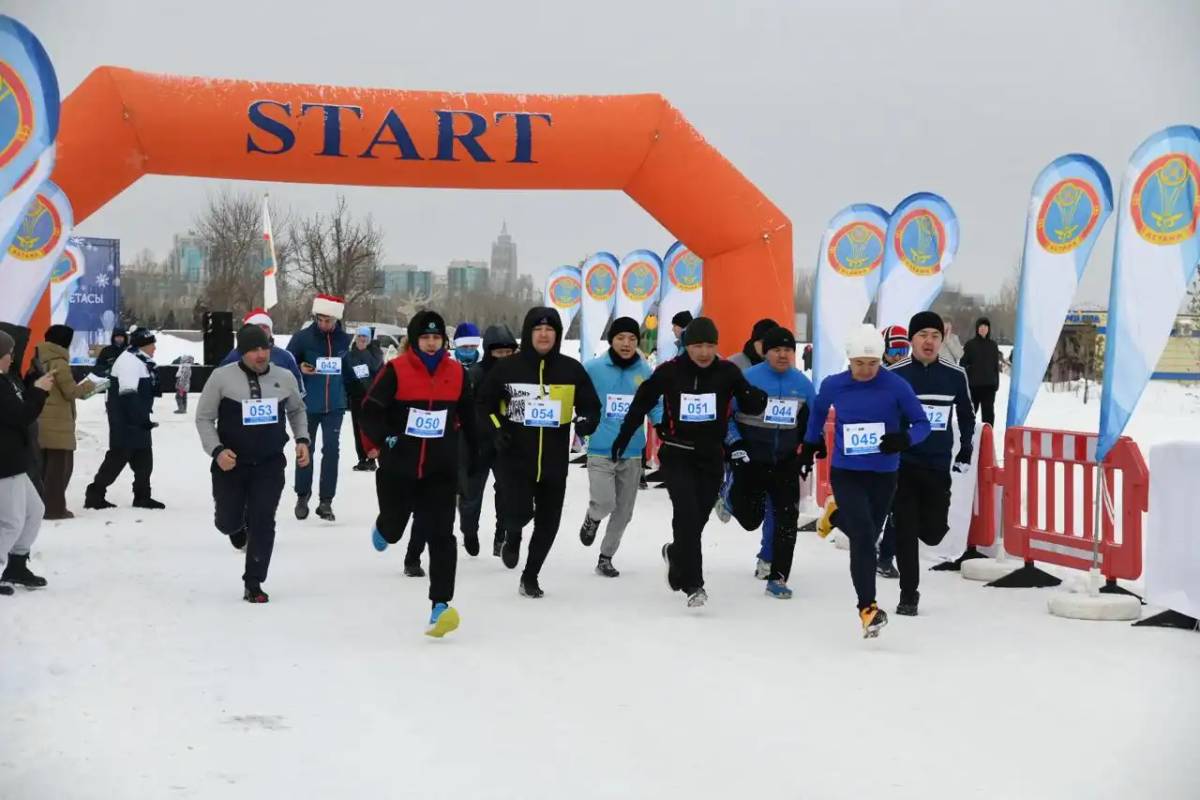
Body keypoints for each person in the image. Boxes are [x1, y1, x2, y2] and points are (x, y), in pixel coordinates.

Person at [612, 317, 767, 607]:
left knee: (697, 518)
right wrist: (623, 436)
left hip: (710, 457)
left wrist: (756, 398)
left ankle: (676, 554)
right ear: (687, 346)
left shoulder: (727, 372)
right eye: (697, 346)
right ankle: (695, 584)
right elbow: (643, 400)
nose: (704, 352)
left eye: (710, 345)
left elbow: (749, 401)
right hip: (676, 453)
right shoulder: (670, 371)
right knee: (686, 512)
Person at [799, 324, 930, 637]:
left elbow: (922, 423)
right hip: (847, 471)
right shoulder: (834, 385)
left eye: (873, 364)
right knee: (863, 536)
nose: (866, 370)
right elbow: (817, 411)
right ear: (849, 360)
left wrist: (903, 439)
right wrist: (811, 442)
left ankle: (836, 516)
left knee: (868, 534)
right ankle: (867, 608)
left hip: (884, 473)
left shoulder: (896, 386)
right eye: (860, 364)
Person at [360, 310, 477, 637]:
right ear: (414, 341)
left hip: (440, 471)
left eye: (436, 338)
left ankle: (440, 605)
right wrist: (381, 442)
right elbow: (370, 410)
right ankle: (384, 526)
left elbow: (469, 416)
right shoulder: (395, 370)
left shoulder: (456, 373)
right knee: (395, 529)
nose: (430, 343)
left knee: (442, 535)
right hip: (399, 468)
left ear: (444, 341)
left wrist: (480, 451)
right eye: (425, 338)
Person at [477, 306, 601, 598]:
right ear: (528, 333)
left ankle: (530, 576)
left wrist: (586, 422)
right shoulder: (508, 368)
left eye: (549, 330)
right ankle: (513, 534)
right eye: (537, 329)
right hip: (515, 459)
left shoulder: (571, 370)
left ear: (557, 335)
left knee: (549, 521)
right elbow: (483, 404)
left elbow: (590, 406)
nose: (544, 334)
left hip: (554, 462)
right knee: (518, 512)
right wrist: (497, 430)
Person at [195, 325, 310, 603]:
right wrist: (217, 451)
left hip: (270, 464)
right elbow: (204, 418)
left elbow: (297, 410)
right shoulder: (221, 378)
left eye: (264, 348)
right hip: (231, 465)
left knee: (263, 520)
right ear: (241, 352)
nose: (260, 355)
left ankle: (254, 582)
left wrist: (302, 439)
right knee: (227, 522)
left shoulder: (284, 377)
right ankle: (236, 527)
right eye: (253, 350)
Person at [887, 311, 975, 616]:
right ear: (912, 339)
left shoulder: (954, 375)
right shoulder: (895, 374)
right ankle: (908, 594)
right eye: (923, 335)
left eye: (935, 336)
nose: (929, 341)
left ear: (942, 340)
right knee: (906, 531)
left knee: (935, 531)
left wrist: (966, 448)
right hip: (904, 464)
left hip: (937, 465)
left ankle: (918, 527)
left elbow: (966, 414)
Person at [725, 326, 814, 597]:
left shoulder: (803, 384)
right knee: (750, 518)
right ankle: (728, 495)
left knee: (788, 519)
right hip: (752, 460)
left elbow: (811, 423)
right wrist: (736, 445)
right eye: (777, 350)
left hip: (784, 461)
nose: (783, 355)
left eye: (788, 350)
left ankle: (778, 577)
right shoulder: (747, 379)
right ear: (766, 352)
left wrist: (808, 450)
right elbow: (727, 417)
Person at [580, 316, 663, 577]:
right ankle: (593, 517)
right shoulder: (593, 367)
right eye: (620, 338)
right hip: (601, 448)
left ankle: (606, 556)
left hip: (632, 450)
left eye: (632, 339)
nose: (626, 343)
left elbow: (655, 403)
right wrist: (582, 420)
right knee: (605, 502)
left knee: (624, 512)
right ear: (611, 340)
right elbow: (579, 397)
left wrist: (660, 426)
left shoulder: (645, 371)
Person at [286, 294, 353, 521]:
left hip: (334, 405)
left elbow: (349, 370)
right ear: (315, 317)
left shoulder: (344, 340)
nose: (325, 324)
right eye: (321, 320)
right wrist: (300, 368)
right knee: (306, 449)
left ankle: (326, 502)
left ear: (336, 320)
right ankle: (302, 495)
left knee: (332, 450)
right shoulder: (302, 338)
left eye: (330, 321)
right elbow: (285, 363)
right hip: (307, 404)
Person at [85, 328, 165, 510]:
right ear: (143, 345)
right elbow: (128, 394)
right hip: (126, 422)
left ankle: (143, 496)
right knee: (117, 460)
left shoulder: (140, 360)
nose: (154, 349)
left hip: (137, 421)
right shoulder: (129, 362)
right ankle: (95, 494)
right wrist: (140, 418)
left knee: (144, 461)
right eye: (152, 345)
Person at [0, 331, 54, 595]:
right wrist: (39, 392)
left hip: (15, 462)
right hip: (4, 464)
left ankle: (17, 564)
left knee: (34, 511)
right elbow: (21, 415)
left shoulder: (5, 381)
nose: (11, 358)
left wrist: (33, 386)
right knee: (10, 521)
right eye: (8, 353)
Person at [458, 323, 518, 558]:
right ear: (489, 351)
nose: (503, 357)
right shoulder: (475, 374)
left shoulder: (519, 374)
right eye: (498, 353)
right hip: (478, 442)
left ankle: (500, 536)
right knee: (471, 495)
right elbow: (467, 408)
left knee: (506, 492)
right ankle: (469, 531)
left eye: (508, 352)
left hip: (507, 442)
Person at [36, 324, 97, 519]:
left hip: (42, 419)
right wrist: (91, 384)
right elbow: (70, 391)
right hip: (58, 423)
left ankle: (39, 507)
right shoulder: (59, 363)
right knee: (59, 469)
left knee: (44, 469)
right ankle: (54, 509)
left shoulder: (39, 357)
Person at [875, 325, 911, 579]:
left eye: (904, 349)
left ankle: (886, 557)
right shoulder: (870, 373)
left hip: (900, 452)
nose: (899, 355)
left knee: (898, 508)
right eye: (894, 349)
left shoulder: (907, 376)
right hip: (873, 453)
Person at [219, 308, 305, 388]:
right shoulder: (235, 355)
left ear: (270, 331)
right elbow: (220, 383)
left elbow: (297, 386)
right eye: (257, 327)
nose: (261, 330)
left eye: (265, 327)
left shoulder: (284, 356)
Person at [344, 325, 384, 471]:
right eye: (360, 336)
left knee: (370, 428)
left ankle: (372, 457)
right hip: (356, 396)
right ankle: (362, 458)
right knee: (357, 428)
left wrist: (364, 351)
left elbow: (375, 367)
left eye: (365, 337)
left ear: (369, 339)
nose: (362, 339)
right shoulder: (351, 353)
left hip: (372, 397)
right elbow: (347, 373)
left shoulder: (375, 352)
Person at [959, 316, 1003, 426]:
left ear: (988, 329)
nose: (983, 329)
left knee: (988, 414)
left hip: (989, 386)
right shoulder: (970, 345)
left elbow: (995, 366)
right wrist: (971, 372)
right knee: (970, 413)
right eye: (981, 326)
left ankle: (987, 436)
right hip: (974, 386)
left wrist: (996, 383)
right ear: (977, 329)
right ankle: (968, 436)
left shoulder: (993, 345)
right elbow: (962, 363)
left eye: (985, 326)